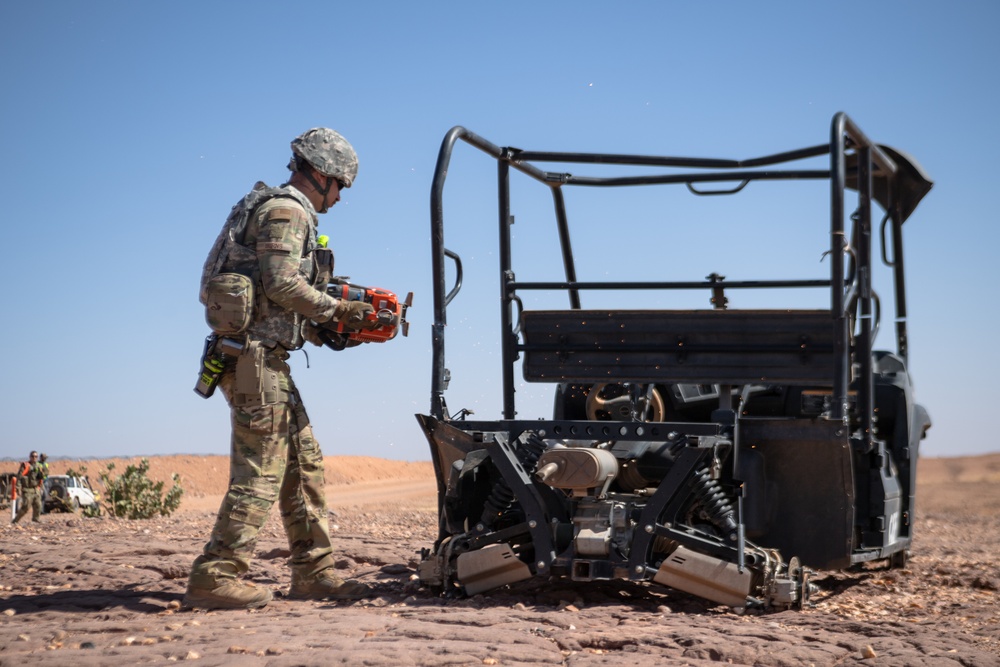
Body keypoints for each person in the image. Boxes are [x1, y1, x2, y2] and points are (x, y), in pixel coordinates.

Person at [185, 128, 376, 610]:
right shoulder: (288, 210)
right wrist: (337, 313)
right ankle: (216, 574)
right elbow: (282, 283)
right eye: (341, 187)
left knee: (303, 464)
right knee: (261, 472)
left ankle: (314, 573)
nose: (340, 198)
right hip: (253, 362)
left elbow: (271, 296)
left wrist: (324, 328)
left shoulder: (277, 209)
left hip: (264, 359)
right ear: (323, 174)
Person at [12, 451, 44, 524]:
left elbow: (40, 479)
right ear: (30, 457)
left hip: (35, 489)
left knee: (38, 505)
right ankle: (15, 521)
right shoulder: (25, 465)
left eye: (36, 456)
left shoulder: (39, 466)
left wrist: (41, 487)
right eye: (33, 456)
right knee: (26, 506)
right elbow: (19, 477)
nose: (34, 458)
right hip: (27, 489)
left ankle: (36, 519)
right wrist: (18, 488)